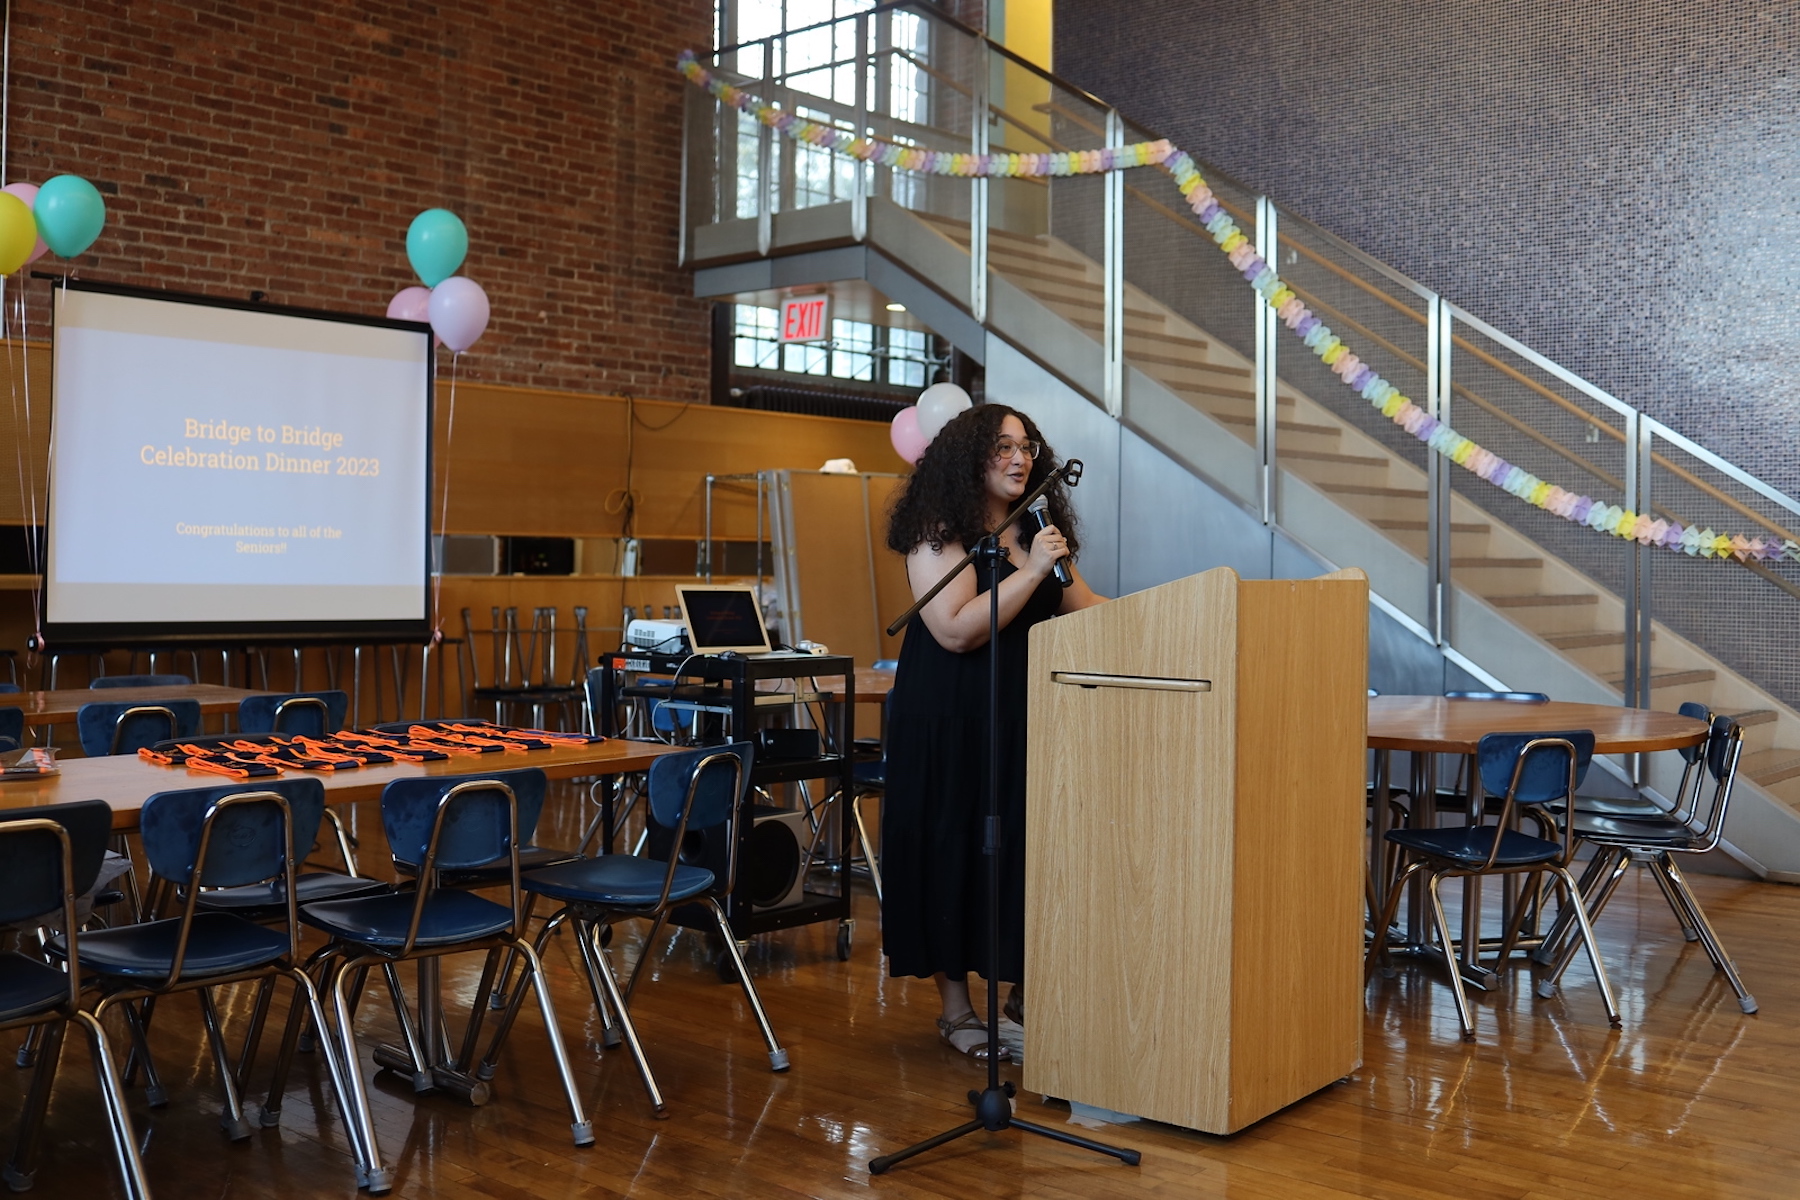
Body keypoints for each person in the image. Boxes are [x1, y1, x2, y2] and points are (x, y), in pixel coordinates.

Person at [880, 403, 1107, 1060]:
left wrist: (1176, 611)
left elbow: (1086, 607)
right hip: (949, 717)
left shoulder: (1033, 528)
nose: (1020, 457)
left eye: (1027, 445)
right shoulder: (934, 530)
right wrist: (1031, 571)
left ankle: (1019, 989)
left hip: (1022, 715)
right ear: (967, 457)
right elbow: (952, 627)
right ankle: (956, 1011)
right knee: (954, 844)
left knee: (1022, 850)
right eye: (1003, 446)